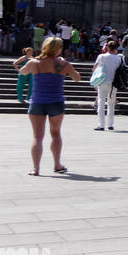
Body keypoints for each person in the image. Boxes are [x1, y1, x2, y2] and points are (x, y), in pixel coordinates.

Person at [19, 36, 81, 175]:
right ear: (58, 49)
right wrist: (72, 73)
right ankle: (57, 165)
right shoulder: (64, 63)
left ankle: (36, 169)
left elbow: (22, 72)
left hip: (37, 102)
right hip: (56, 102)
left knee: (37, 137)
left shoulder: (34, 62)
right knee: (55, 134)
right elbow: (77, 78)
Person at [91, 39, 124, 131]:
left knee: (101, 103)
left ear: (107, 47)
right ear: (116, 48)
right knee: (111, 103)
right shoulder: (119, 58)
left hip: (102, 82)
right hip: (114, 83)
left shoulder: (101, 56)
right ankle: (110, 124)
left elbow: (94, 68)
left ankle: (101, 125)